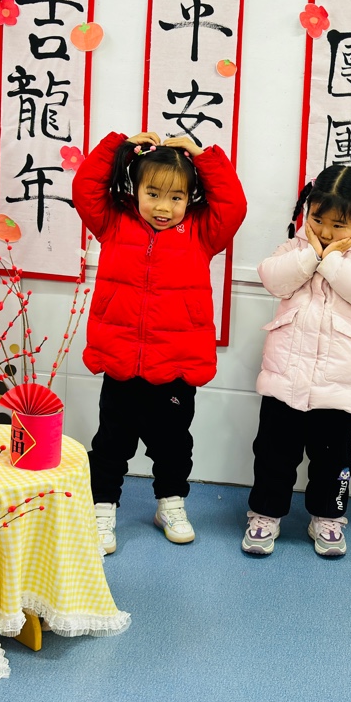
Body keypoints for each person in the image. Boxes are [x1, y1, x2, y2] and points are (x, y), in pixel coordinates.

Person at [72, 130, 247, 554]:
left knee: (173, 444)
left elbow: (233, 206)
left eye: (176, 197)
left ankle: (170, 503)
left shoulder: (202, 231)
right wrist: (118, 146)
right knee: (111, 443)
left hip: (176, 364)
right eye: (153, 194)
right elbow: (85, 189)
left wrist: (203, 157)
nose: (163, 207)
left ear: (190, 198)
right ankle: (102, 507)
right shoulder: (114, 221)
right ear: (135, 190)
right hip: (121, 361)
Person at [243, 166, 351, 558]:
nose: (325, 232)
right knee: (273, 453)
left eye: (338, 224)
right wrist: (311, 254)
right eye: (318, 220)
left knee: (334, 460)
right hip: (285, 379)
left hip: (341, 385)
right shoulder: (298, 245)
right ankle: (265, 514)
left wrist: (330, 261)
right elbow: (271, 278)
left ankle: (328, 517)